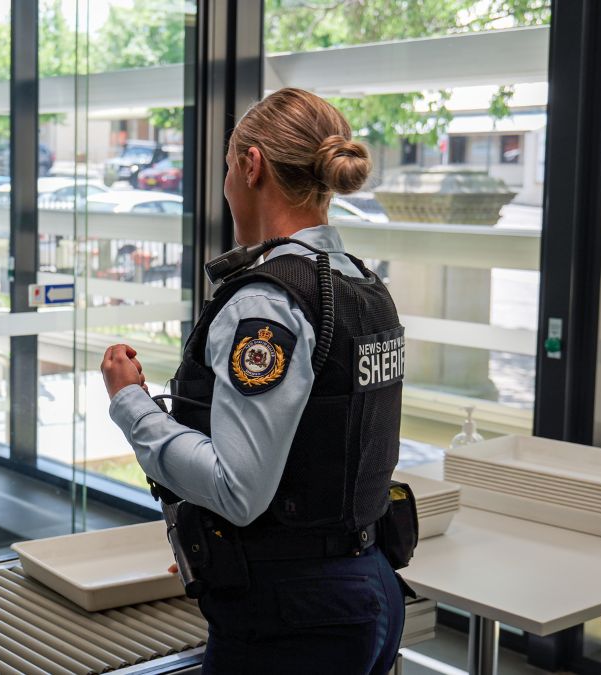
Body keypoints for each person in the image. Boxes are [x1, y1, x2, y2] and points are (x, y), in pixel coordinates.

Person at [101, 88, 407, 674]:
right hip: (369, 587)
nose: (226, 186)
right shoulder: (360, 287)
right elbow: (323, 450)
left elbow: (239, 490)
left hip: (295, 617)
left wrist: (131, 404)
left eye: (226, 169)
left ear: (252, 165)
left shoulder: (267, 304)